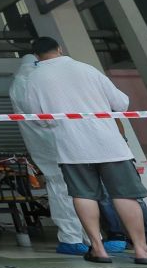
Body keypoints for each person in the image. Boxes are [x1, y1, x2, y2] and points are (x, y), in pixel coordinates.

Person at [24, 36, 147, 266]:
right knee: (124, 194)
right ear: (60, 49)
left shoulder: (34, 79)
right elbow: (121, 103)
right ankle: (142, 251)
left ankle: (98, 248)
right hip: (110, 145)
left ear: (35, 56)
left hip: (71, 147)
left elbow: (37, 118)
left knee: (83, 194)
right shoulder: (87, 69)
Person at [10, 54, 91, 256]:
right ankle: (71, 238)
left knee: (75, 190)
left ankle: (88, 237)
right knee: (62, 191)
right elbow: (41, 116)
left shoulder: (28, 81)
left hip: (58, 144)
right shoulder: (25, 83)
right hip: (50, 145)